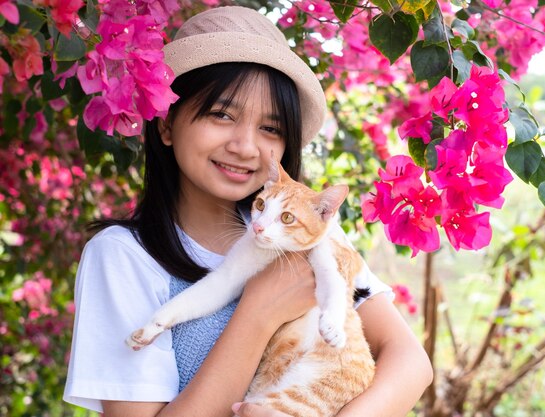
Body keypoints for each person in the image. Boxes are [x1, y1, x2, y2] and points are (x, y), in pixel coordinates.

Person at [63, 6, 433, 417]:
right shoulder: (124, 256)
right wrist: (259, 311)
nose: (245, 146)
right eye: (221, 115)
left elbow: (409, 361)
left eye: (270, 128)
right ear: (167, 125)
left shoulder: (309, 231)